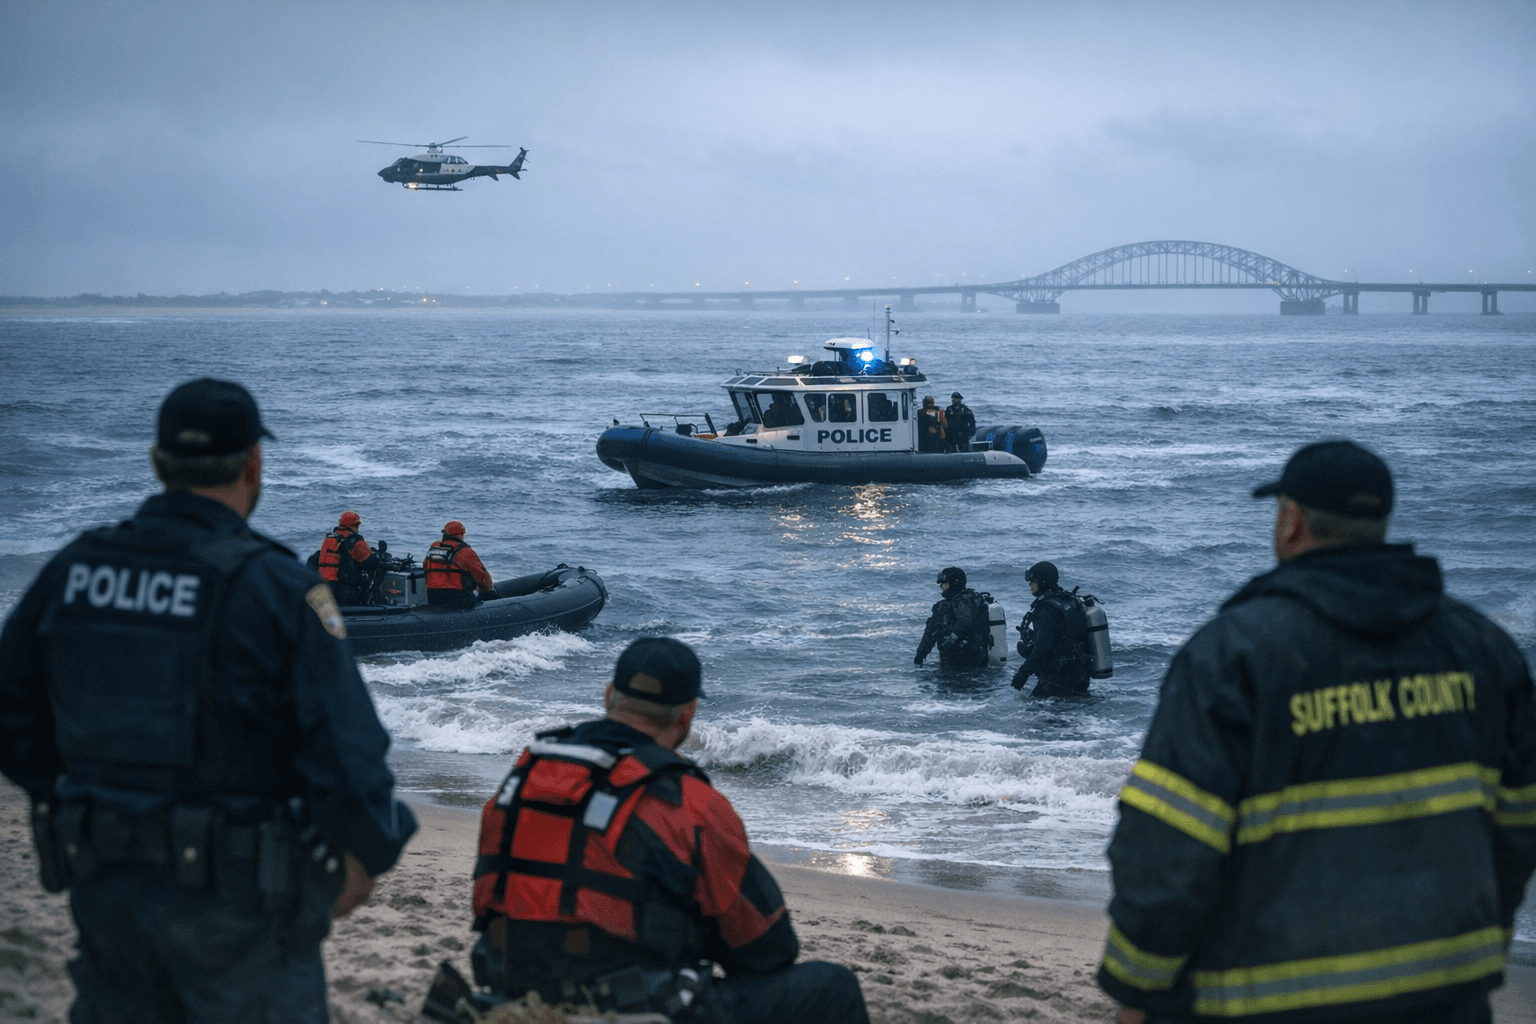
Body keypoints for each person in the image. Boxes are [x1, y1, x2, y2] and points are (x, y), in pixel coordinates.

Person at [0, 377, 418, 1023]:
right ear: (253, 464)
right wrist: (367, 852)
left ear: (157, 461)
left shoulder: (76, 568)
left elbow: (12, 709)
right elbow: (349, 749)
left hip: (104, 879)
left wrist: (69, 800)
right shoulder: (277, 587)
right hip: (241, 898)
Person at [1097, 439, 1536, 1024]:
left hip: (1267, 1002)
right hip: (1445, 995)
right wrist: (1479, 942)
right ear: (1379, 522)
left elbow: (1169, 846)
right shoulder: (1485, 649)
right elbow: (1518, 827)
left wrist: (1136, 988)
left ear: (1292, 520)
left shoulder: (1233, 655)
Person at [468, 636, 869, 1023]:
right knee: (834, 986)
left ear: (608, 696)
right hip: (626, 1008)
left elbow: (488, 895)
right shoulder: (691, 803)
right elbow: (768, 950)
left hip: (511, 991)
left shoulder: (522, 779)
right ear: (687, 715)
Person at [1010, 561, 1090, 697]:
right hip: (1080, 671)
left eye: (1033, 581)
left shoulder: (1046, 610)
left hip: (1059, 676)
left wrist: (1023, 673)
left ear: (1043, 582)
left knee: (1036, 711)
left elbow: (1043, 646)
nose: (1030, 584)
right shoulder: (1070, 600)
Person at [914, 566, 991, 669]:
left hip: (971, 662)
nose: (941, 586)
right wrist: (921, 653)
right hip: (950, 662)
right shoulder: (941, 607)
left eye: (944, 583)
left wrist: (950, 641)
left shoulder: (967, 601)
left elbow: (965, 623)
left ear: (955, 583)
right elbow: (930, 630)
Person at [423, 519, 497, 608]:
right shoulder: (464, 552)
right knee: (492, 595)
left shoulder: (433, 550)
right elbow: (482, 576)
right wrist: (485, 592)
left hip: (433, 598)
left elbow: (425, 567)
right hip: (458, 600)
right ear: (460, 535)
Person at [313, 508, 380, 605]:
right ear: (355, 525)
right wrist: (377, 556)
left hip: (326, 587)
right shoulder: (354, 540)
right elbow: (371, 563)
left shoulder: (330, 539)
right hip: (346, 590)